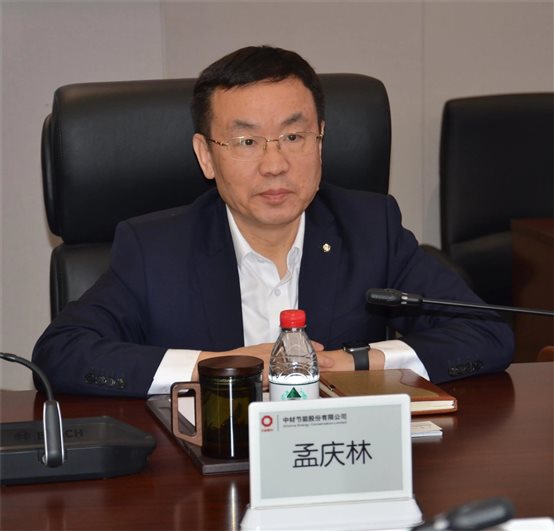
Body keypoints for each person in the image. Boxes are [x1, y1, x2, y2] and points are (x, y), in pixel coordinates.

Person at [32, 45, 513, 397]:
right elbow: (62, 352)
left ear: (320, 139)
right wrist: (217, 367)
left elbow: (486, 334)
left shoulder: (370, 228)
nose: (275, 165)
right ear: (206, 155)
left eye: (294, 137)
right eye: (246, 142)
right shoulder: (155, 248)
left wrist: (355, 362)